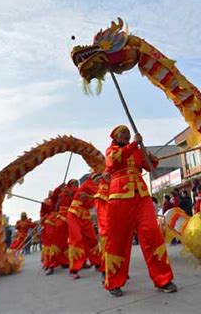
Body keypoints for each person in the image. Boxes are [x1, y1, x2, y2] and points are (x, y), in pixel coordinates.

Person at [103, 125, 177, 297]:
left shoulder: (136, 150)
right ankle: (114, 281)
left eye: (128, 134)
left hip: (142, 196)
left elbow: (150, 167)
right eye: (123, 133)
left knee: (152, 233)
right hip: (119, 198)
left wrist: (147, 154)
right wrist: (134, 145)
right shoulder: (111, 150)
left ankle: (163, 279)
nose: (127, 135)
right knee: (118, 240)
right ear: (115, 136)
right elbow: (113, 162)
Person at [67, 173, 102, 280]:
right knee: (77, 239)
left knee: (92, 240)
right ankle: (74, 269)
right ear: (92, 179)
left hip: (85, 217)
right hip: (74, 215)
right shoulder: (87, 185)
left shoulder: (98, 188)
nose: (99, 180)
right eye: (97, 178)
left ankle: (97, 262)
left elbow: (94, 201)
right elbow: (96, 191)